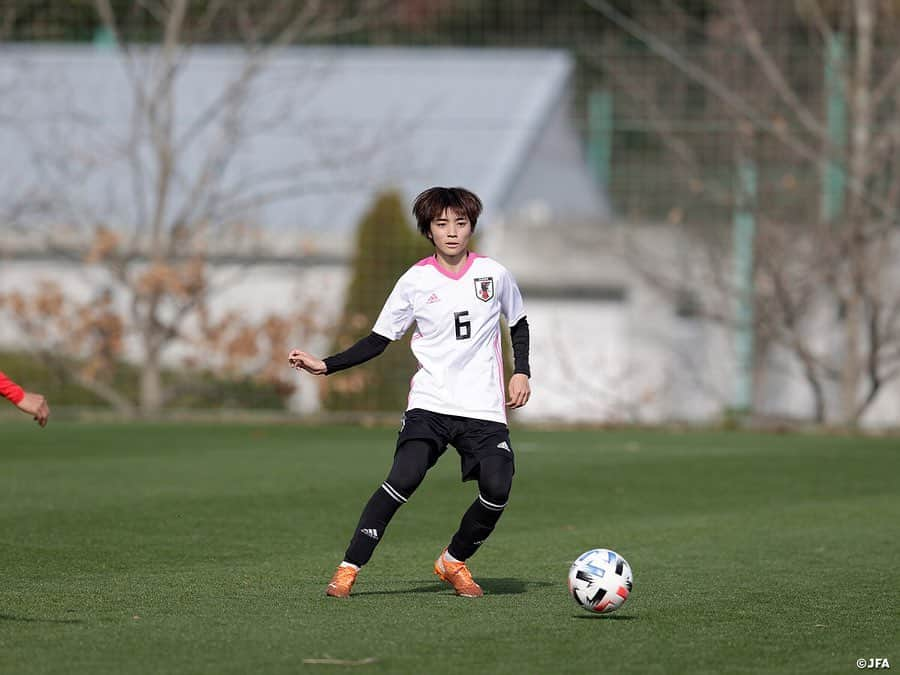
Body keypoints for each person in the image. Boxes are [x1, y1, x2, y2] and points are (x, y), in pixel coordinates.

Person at [289, 186, 531, 599]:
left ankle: (454, 561)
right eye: (442, 224)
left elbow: (519, 323)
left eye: (461, 223)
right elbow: (378, 340)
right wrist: (326, 365)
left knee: (498, 487)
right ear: (429, 231)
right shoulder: (415, 281)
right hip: (430, 405)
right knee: (404, 477)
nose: (452, 232)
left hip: (483, 408)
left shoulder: (494, 274)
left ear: (471, 226)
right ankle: (348, 569)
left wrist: (521, 372)